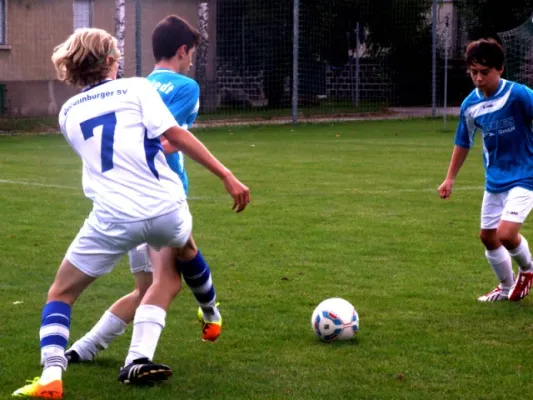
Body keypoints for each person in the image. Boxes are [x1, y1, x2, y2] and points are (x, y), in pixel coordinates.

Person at [12, 27, 250, 399]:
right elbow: (176, 135)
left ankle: (52, 375)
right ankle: (210, 312)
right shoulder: (138, 87)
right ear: (110, 61)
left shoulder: (67, 114)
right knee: (183, 251)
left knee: (60, 294)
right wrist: (226, 174)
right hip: (163, 207)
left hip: (113, 218)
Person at [64, 15, 221, 366]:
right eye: (193, 52)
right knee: (167, 283)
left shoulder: (138, 85)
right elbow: (166, 138)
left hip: (119, 199)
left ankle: (83, 347)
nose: (192, 59)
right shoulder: (186, 88)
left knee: (143, 287)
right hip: (158, 196)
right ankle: (139, 359)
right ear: (183, 51)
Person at [437, 38, 533, 303]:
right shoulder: (470, 105)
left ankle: (528, 269)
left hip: (525, 175)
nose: (478, 78)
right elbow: (463, 142)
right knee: (488, 237)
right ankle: (505, 287)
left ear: (500, 69)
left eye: (484, 72)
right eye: (473, 72)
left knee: (506, 234)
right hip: (495, 180)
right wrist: (449, 178)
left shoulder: (519, 94)